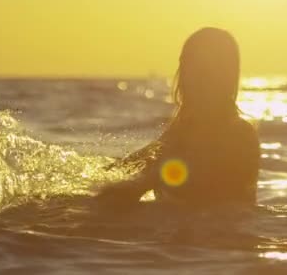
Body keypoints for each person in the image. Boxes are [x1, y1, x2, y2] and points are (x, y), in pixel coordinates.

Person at [98, 27, 260, 208]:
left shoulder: (239, 134)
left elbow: (195, 172)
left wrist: (139, 185)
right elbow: (134, 166)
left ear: (226, 77)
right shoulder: (181, 131)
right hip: (182, 227)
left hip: (219, 230)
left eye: (206, 71)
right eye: (188, 66)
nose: (193, 78)